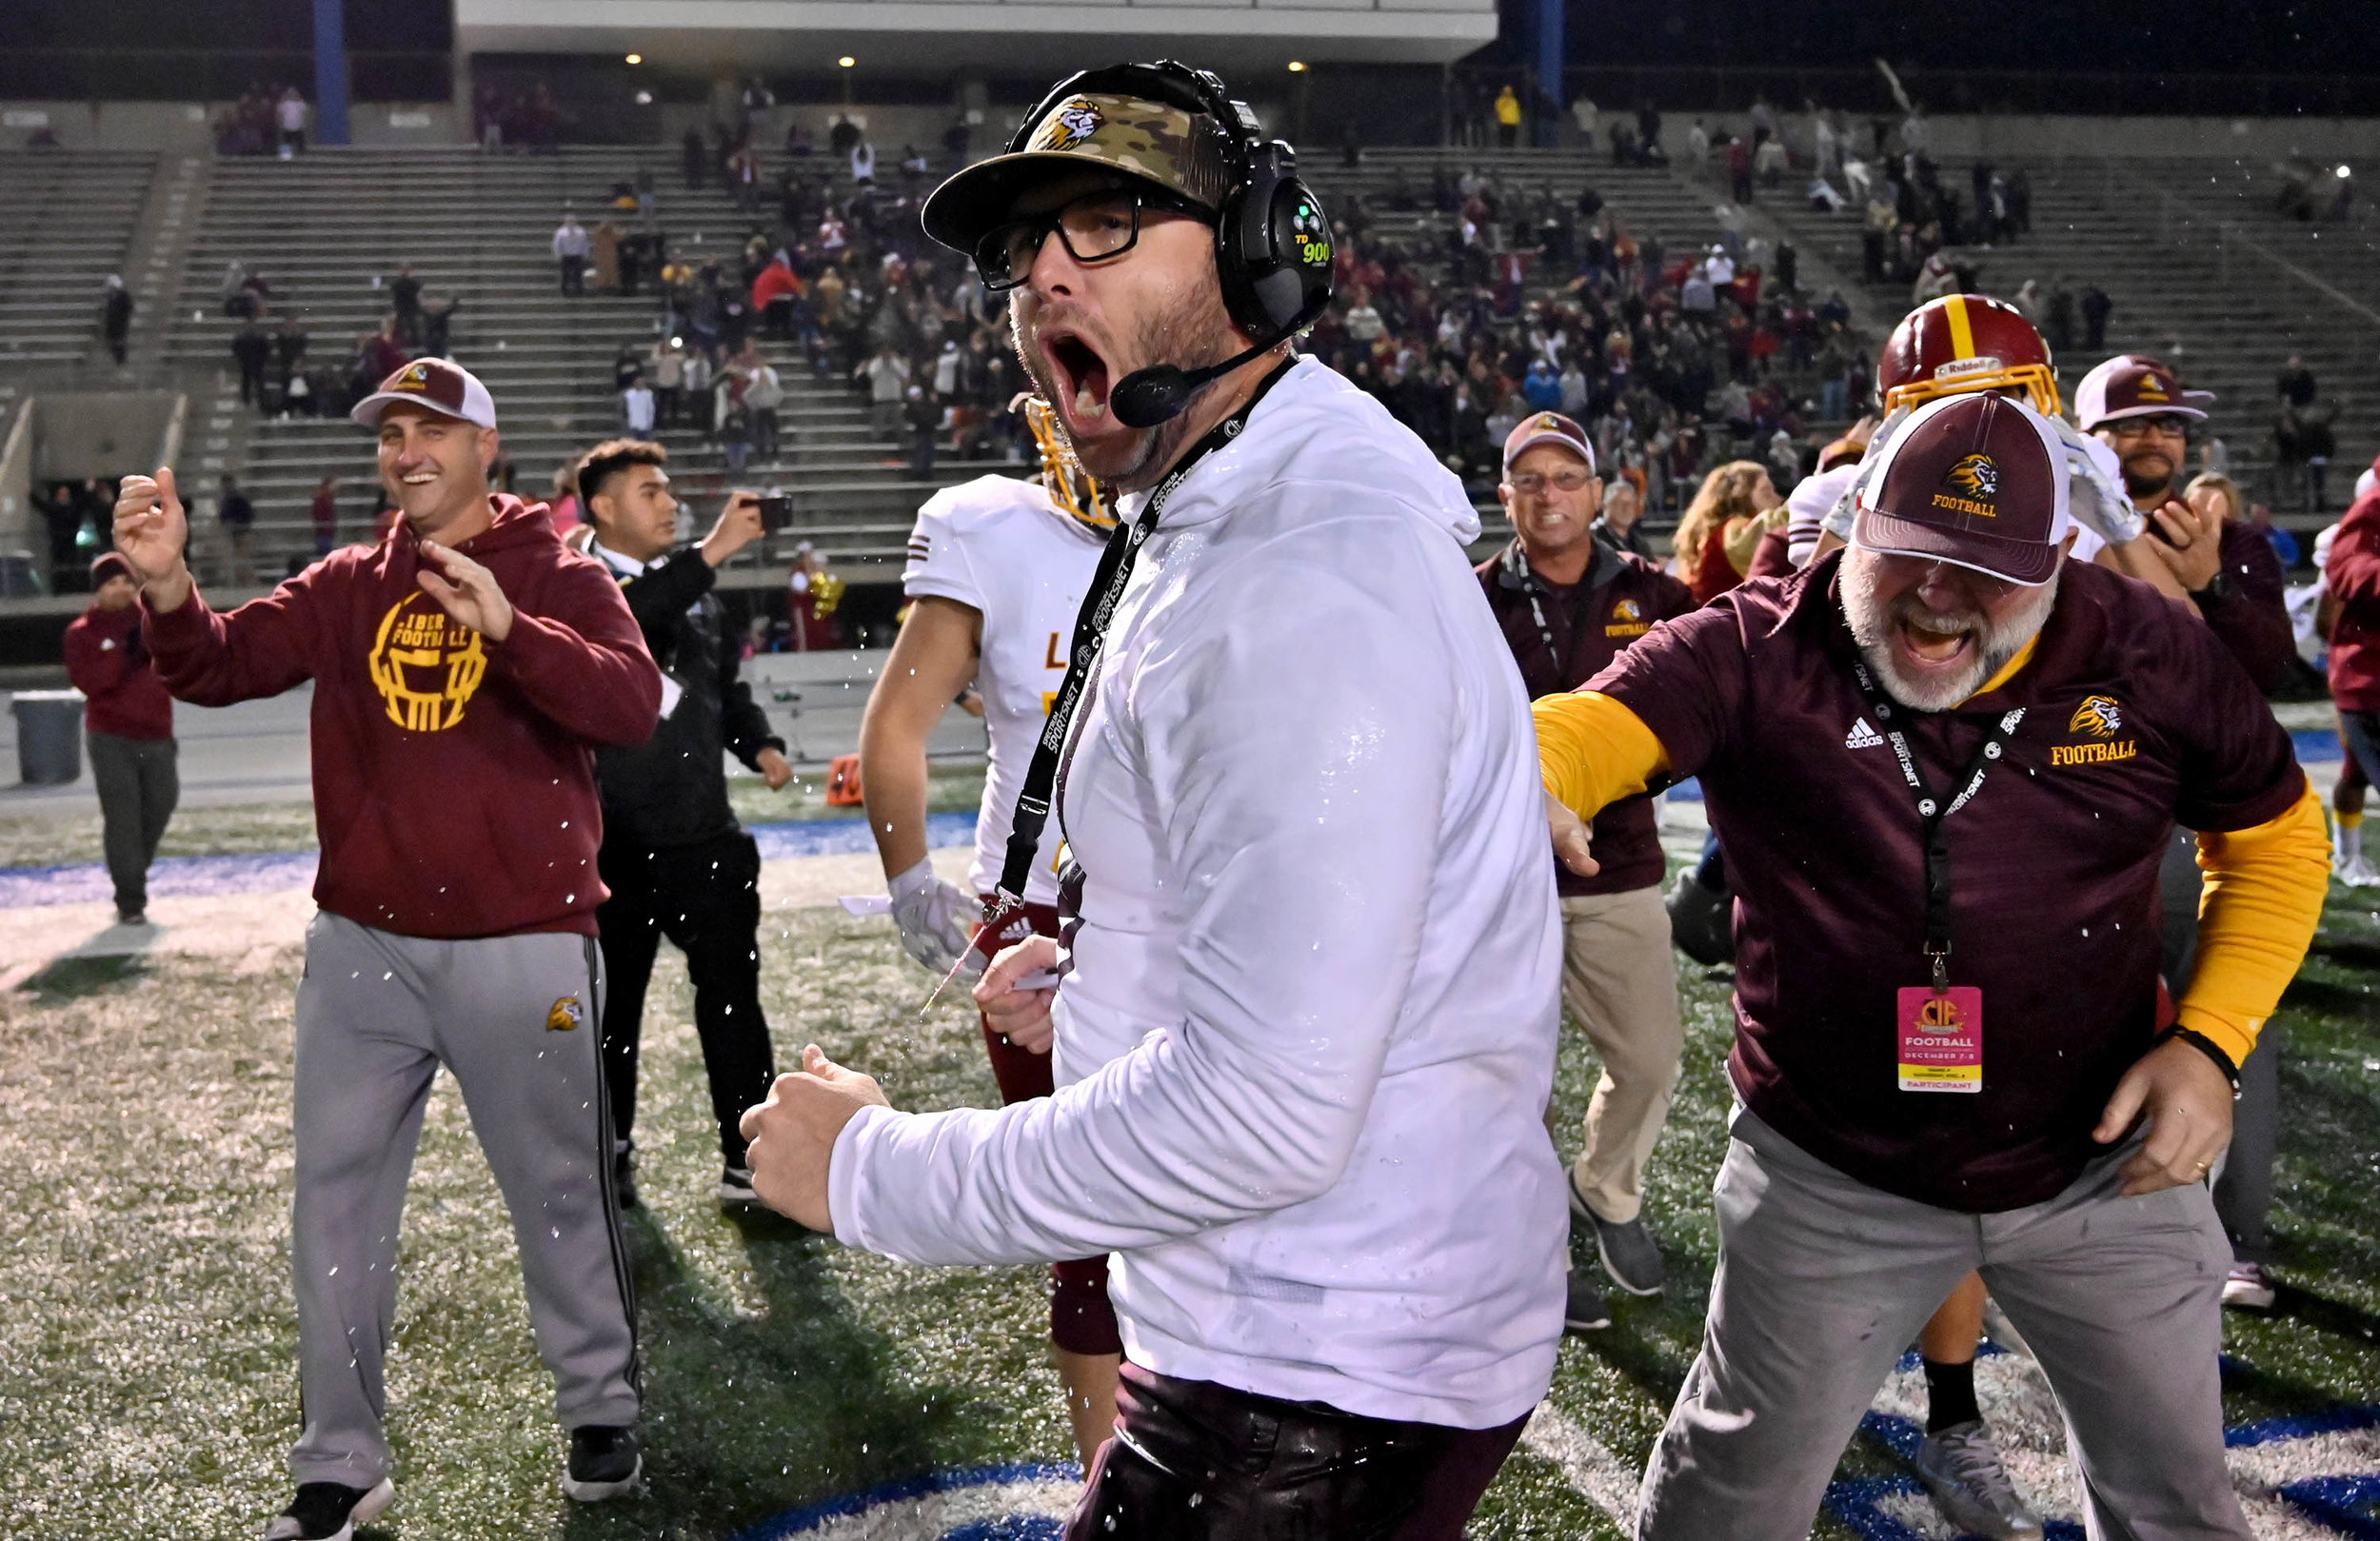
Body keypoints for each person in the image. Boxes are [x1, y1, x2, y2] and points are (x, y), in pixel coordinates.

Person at [740, 60, 1565, 1539]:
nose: (1044, 267)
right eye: (1023, 247)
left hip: (1314, 1369)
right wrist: (1124, 975)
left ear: (1260, 263)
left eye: (1112, 219)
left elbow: (1263, 1112)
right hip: (1314, 1331)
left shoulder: (1300, 571)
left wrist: (871, 1167)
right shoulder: (1226, 496)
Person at [1537, 389, 2328, 1541]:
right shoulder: (1765, 642)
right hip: (1829, 1166)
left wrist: (2210, 1047)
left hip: (2104, 1162)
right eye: (1912, 550)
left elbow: (2273, 840)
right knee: (1727, 1501)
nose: (1941, 594)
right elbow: (1588, 725)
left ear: (2058, 555)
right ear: (1854, 520)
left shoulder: (2142, 646)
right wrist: (1530, 771)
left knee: (2176, 1505)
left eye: (1988, 565)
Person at [110, 357, 661, 1540]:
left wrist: (512, 628)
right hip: (364, 942)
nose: (407, 450)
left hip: (524, 937)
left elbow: (630, 703)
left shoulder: (558, 569)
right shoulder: (347, 581)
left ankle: (598, 1402)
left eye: (433, 430)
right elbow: (220, 663)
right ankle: (340, 1458)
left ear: (485, 447)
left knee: (561, 1187)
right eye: (390, 433)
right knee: (335, 1203)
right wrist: (167, 592)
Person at [856, 392, 1119, 1465]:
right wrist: (910, 877)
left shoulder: (1220, 516)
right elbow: (896, 725)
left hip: (1198, 904)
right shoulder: (989, 526)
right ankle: (1114, 1481)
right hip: (1042, 912)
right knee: (1092, 1217)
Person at [1481, 412, 1695, 1335]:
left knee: (1649, 1059)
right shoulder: (1466, 595)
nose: (1548, 493)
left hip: (1617, 867)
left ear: (1599, 489)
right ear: (1504, 496)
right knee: (1505, 1077)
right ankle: (1533, 1240)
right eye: (1528, 478)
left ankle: (1604, 1190)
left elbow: (1718, 699)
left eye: (1565, 475)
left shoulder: (1658, 592)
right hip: (1495, 877)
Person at [576, 440, 790, 1210]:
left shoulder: (698, 591)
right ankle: (611, 1151)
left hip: (704, 835)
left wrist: (757, 738)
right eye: (648, 491)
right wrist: (711, 552)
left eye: (670, 489)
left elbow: (718, 684)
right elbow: (626, 626)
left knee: (734, 999)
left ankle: (750, 1161)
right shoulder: (574, 582)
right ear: (600, 506)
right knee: (609, 1011)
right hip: (609, 846)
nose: (669, 503)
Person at [63, 552, 177, 925]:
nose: (122, 588)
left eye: (127, 581)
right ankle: (131, 899)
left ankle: (131, 870)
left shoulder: (151, 622)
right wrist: (123, 655)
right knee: (123, 818)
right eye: (112, 582)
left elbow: (181, 656)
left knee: (161, 804)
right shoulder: (82, 632)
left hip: (157, 732)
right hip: (112, 737)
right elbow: (91, 683)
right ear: (98, 590)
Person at [1676, 460, 1785, 604]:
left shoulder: (1712, 531)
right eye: (1766, 492)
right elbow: (1767, 530)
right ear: (1742, 495)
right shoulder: (1733, 530)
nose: (1778, 500)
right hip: (1721, 621)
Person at [217, 473, 258, 587]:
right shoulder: (226, 499)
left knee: (244, 560)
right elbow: (223, 516)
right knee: (237, 561)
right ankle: (243, 583)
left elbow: (248, 514)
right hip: (233, 534)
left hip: (243, 532)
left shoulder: (238, 498)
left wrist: (237, 523)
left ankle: (251, 583)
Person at [553, 211, 591, 296]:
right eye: (569, 221)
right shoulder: (560, 232)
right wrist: (558, 254)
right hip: (566, 255)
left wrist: (585, 253)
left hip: (577, 255)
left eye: (572, 221)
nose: (570, 222)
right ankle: (565, 290)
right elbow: (557, 244)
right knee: (565, 274)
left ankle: (579, 290)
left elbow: (585, 243)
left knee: (578, 274)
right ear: (565, 222)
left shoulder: (581, 231)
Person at [100, 274, 133, 365]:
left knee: (119, 341)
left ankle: (121, 360)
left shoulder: (123, 295)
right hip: (111, 323)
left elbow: (128, 307)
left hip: (120, 322)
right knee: (112, 341)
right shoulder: (109, 297)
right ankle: (117, 359)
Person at [308, 475, 339, 557]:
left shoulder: (327, 497)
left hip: (326, 530)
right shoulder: (322, 497)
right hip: (324, 531)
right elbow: (319, 513)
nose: (335, 487)